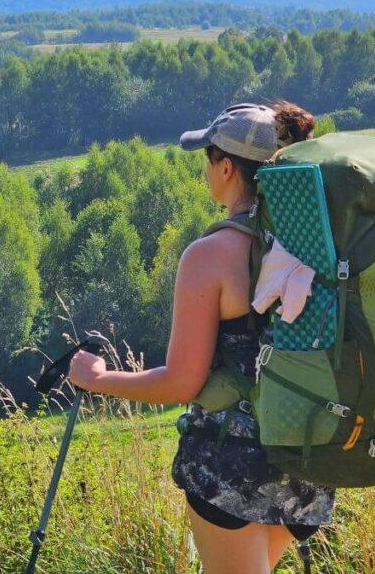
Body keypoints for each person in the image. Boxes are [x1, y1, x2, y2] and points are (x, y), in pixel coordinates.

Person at [68, 100, 335, 574]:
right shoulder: (315, 244)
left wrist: (99, 378)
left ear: (227, 167)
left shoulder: (209, 256)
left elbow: (181, 384)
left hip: (232, 466)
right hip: (307, 455)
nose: (206, 170)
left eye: (208, 159)